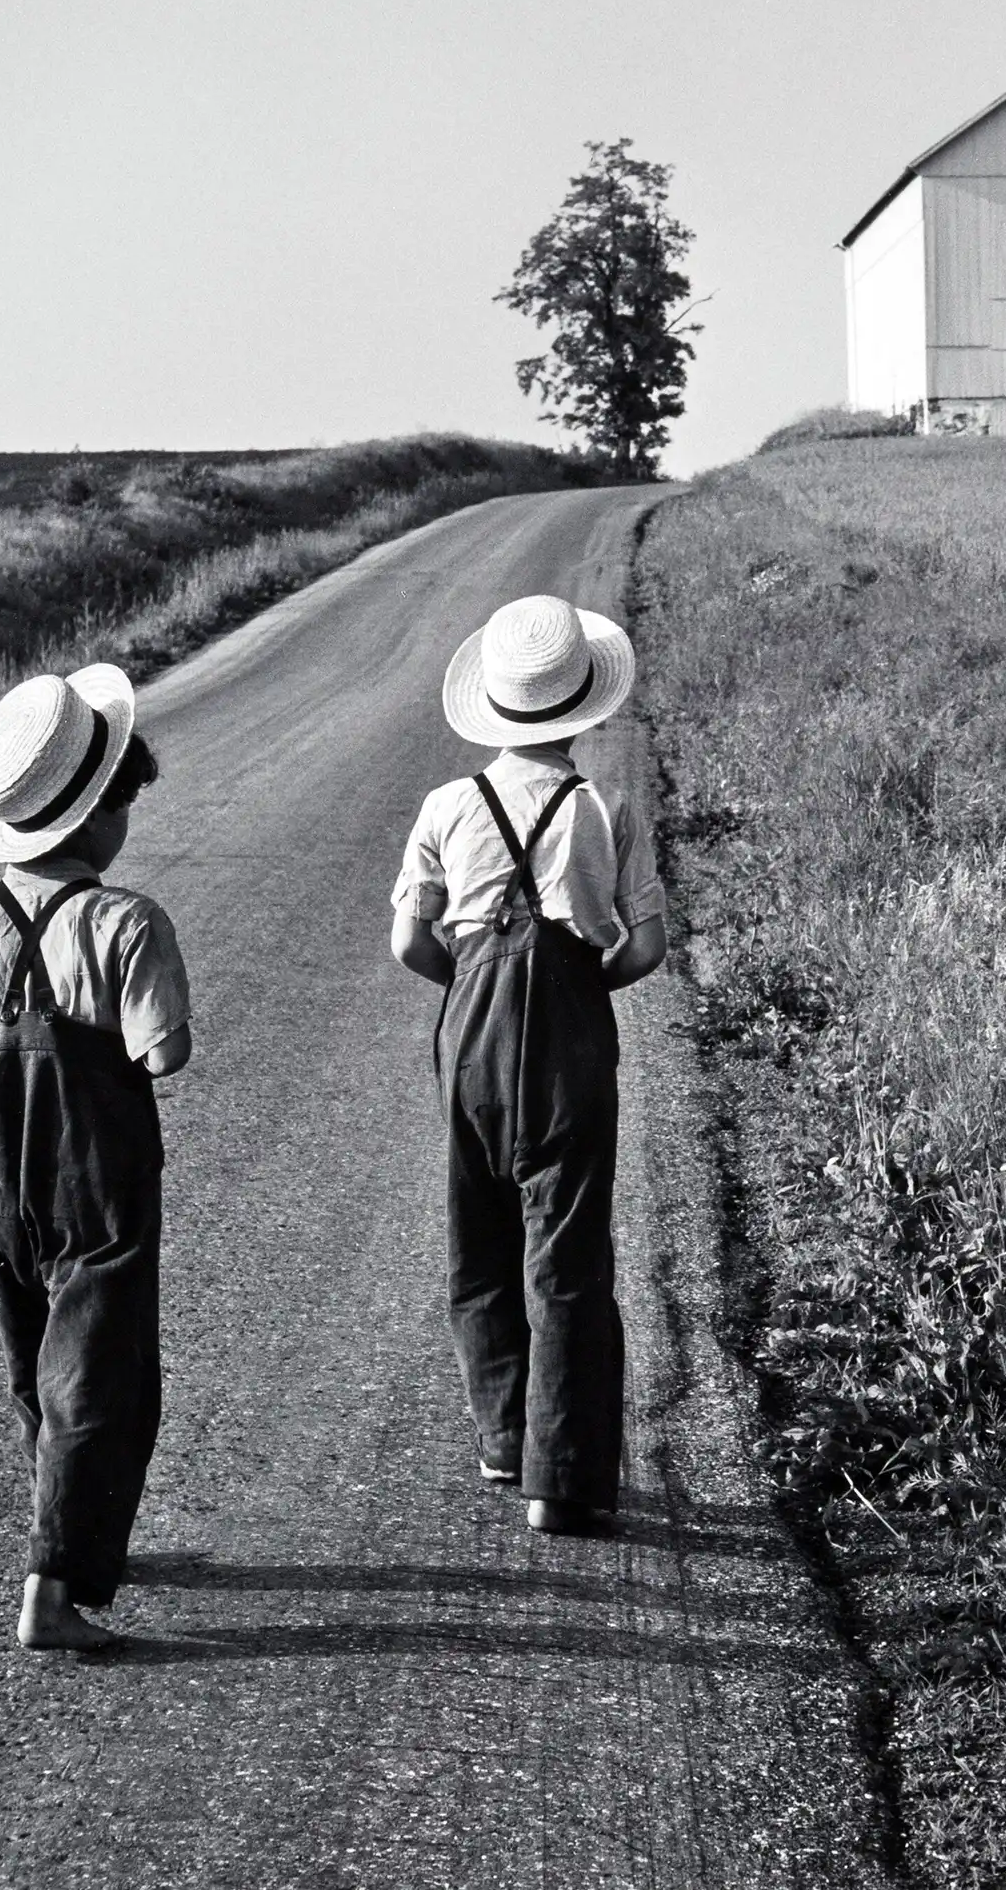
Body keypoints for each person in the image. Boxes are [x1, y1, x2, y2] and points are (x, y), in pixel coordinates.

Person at [0, 665, 191, 1650]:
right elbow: (164, 1052)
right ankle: (54, 1587)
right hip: (96, 1172)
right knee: (100, 1369)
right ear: (97, 815)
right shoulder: (127, 921)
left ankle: (69, 1530)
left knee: (34, 1357)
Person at [391, 594, 667, 1535]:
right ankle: (561, 1476)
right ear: (584, 708)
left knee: (478, 1238)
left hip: (471, 1028)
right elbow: (645, 946)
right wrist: (582, 991)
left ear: (495, 706)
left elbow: (409, 942)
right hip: (571, 1029)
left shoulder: (444, 805)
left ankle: (503, 1438)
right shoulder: (604, 807)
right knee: (569, 1248)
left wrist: (473, 984)